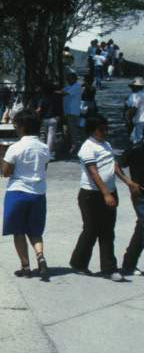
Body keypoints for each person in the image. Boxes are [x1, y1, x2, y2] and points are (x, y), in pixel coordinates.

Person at [70, 115, 138, 280]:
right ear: (92, 130)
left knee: (108, 231)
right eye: (102, 129)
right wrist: (106, 194)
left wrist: (128, 182)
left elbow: (113, 165)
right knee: (91, 230)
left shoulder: (106, 144)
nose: (105, 132)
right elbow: (93, 173)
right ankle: (79, 263)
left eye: (106, 128)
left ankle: (109, 268)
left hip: (110, 192)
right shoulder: (87, 148)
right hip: (91, 195)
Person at [1, 109, 50, 280]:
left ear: (21, 127)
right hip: (38, 193)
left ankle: (25, 266)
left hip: (18, 192)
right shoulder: (44, 147)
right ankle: (40, 256)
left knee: (19, 231)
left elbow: (5, 172)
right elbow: (44, 168)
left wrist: (2, 158)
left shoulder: (15, 147)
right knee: (35, 230)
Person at [118, 139, 144, 276]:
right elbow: (117, 165)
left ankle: (129, 264)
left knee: (141, 228)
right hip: (141, 194)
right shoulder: (135, 149)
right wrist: (129, 183)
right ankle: (129, 264)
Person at [36, 81, 62, 161]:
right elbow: (59, 108)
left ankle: (42, 153)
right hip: (53, 119)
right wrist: (58, 116)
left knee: (42, 136)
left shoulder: (42, 98)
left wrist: (37, 116)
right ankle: (49, 154)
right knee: (51, 137)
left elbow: (39, 110)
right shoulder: (56, 98)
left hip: (44, 119)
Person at [60, 71, 83, 156]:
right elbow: (63, 90)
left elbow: (64, 93)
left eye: (69, 79)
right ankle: (71, 146)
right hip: (68, 111)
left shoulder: (76, 86)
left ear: (73, 79)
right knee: (69, 130)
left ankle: (75, 147)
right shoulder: (70, 86)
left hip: (73, 111)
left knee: (73, 131)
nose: (68, 80)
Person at [125, 76, 144, 143]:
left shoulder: (135, 96)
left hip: (139, 120)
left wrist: (129, 120)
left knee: (137, 139)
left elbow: (133, 109)